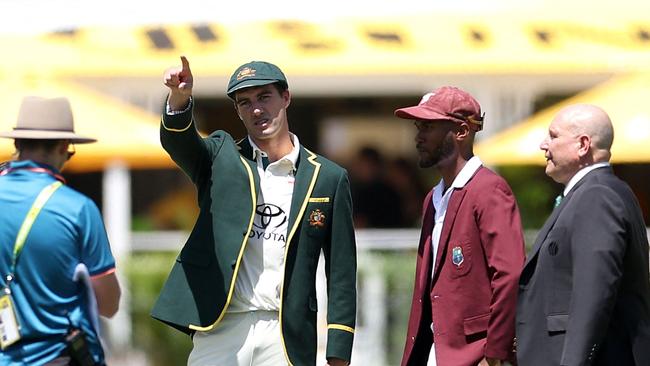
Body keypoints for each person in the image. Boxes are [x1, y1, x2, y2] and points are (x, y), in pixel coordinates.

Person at [151, 56, 356, 366]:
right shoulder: (221, 155)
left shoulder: (328, 177)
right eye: (245, 102)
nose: (257, 109)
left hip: (285, 333)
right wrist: (179, 99)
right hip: (221, 326)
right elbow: (180, 143)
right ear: (237, 111)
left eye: (265, 97)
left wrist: (339, 347)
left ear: (285, 97)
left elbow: (341, 269)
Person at [394, 86, 525, 366]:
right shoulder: (434, 198)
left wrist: (496, 351)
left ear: (462, 131)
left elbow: (509, 274)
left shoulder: (489, 190)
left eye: (428, 126)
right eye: (419, 126)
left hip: (476, 355)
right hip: (435, 352)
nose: (418, 136)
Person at [516, 104, 650, 366]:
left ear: (583, 145)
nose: (544, 145)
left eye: (553, 136)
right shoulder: (599, 192)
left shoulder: (597, 196)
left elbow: (594, 293)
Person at [0, 96, 121, 365]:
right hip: (59, 356)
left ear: (17, 144)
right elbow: (109, 305)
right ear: (65, 146)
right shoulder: (78, 208)